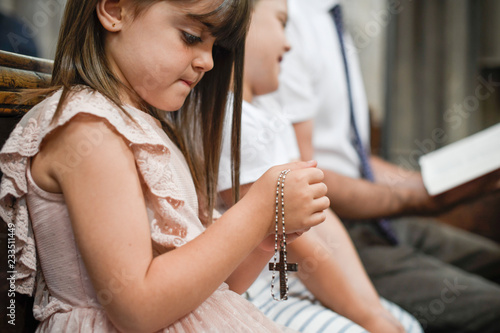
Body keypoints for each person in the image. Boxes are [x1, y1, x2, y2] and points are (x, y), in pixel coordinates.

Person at [0, 0, 331, 332]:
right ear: (115, 11)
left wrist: (264, 233)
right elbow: (136, 308)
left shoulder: (152, 131)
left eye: (215, 46)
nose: (208, 62)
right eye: (190, 37)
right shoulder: (89, 131)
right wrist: (256, 210)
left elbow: (215, 283)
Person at [256, 0, 500, 332]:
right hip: (336, 226)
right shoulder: (285, 21)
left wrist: (439, 181)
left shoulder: (331, 18)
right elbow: (303, 176)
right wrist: (420, 198)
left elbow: (357, 159)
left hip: (375, 218)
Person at [218, 1, 422, 332]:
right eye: (281, 23)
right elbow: (293, 238)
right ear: (237, 21)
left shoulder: (268, 115)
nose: (289, 43)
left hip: (302, 286)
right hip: (265, 293)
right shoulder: (232, 122)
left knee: (405, 325)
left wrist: (370, 307)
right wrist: (366, 316)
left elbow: (322, 224)